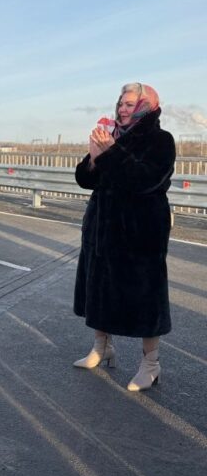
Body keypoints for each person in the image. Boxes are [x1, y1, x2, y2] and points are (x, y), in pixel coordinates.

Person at [73, 82, 175, 392]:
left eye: (129, 104)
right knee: (100, 288)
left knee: (145, 297)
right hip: (103, 229)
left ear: (146, 107)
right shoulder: (111, 135)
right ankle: (102, 347)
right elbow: (85, 180)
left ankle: (151, 364)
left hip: (140, 232)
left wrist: (109, 153)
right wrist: (92, 159)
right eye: (121, 103)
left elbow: (144, 180)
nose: (122, 109)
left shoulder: (161, 140)